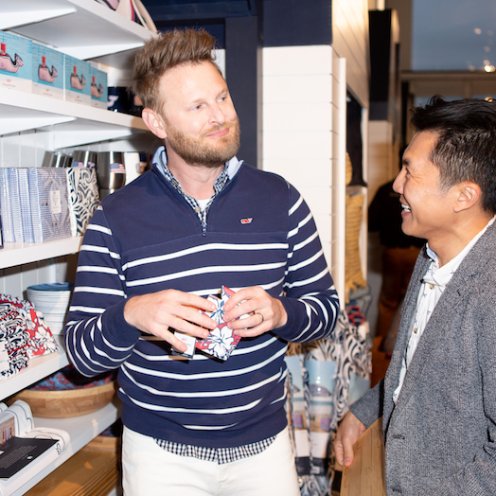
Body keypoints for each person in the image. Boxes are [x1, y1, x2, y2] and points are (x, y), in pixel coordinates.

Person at [64, 29, 339, 496]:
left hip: (265, 450)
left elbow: (326, 312)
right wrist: (133, 314)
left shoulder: (282, 199)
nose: (220, 117)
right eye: (197, 107)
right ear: (156, 122)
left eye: (222, 98)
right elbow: (81, 354)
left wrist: (280, 312)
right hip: (158, 456)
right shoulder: (114, 217)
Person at [334, 96, 496, 495]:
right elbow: (414, 374)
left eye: (410, 172)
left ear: (464, 195)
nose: (396, 184)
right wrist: (362, 412)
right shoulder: (432, 258)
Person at [368, 175, 424, 354]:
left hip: (393, 253)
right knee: (414, 301)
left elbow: (372, 223)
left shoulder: (385, 189)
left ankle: (383, 350)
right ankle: (408, 349)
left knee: (388, 303)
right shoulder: (421, 188)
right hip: (419, 253)